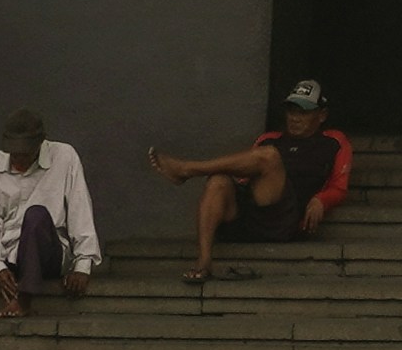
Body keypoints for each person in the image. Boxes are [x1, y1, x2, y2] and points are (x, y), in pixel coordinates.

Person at [150, 80, 357, 287]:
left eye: (303, 112)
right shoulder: (269, 139)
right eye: (291, 110)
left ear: (321, 115)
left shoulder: (334, 142)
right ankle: (203, 261)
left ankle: (187, 169)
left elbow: (339, 187)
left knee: (268, 157)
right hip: (251, 214)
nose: (294, 118)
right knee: (218, 181)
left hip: (284, 219)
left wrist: (321, 199)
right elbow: (244, 179)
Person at [0, 110, 98, 320]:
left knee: (36, 214)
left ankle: (24, 299)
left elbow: (80, 208)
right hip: (6, 253)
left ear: (40, 145)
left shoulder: (65, 156)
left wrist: (83, 264)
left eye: (25, 155)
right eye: (14, 155)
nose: (18, 161)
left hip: (48, 253)